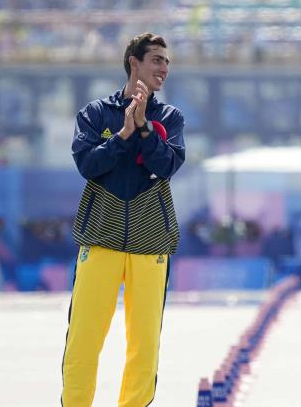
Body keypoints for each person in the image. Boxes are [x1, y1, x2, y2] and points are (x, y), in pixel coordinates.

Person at [62, 32, 186, 406]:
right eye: (156, 60)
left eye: (166, 62)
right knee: (84, 340)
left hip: (151, 244)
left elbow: (167, 165)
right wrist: (124, 133)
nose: (164, 68)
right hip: (99, 239)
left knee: (144, 346)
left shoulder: (170, 117)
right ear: (134, 62)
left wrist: (145, 127)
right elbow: (87, 165)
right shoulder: (95, 114)